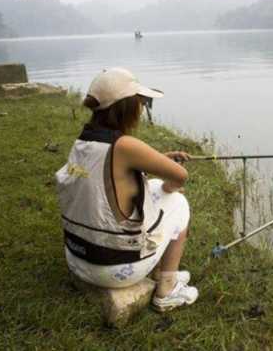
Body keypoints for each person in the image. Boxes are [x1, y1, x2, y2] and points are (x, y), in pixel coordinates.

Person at [55, 67, 198, 312]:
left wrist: (155, 162)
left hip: (78, 258)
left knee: (152, 187)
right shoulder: (125, 145)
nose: (142, 107)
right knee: (178, 203)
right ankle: (167, 288)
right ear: (127, 106)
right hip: (113, 269)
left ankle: (159, 273)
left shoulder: (84, 141)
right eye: (140, 102)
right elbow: (180, 176)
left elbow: (110, 175)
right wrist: (169, 184)